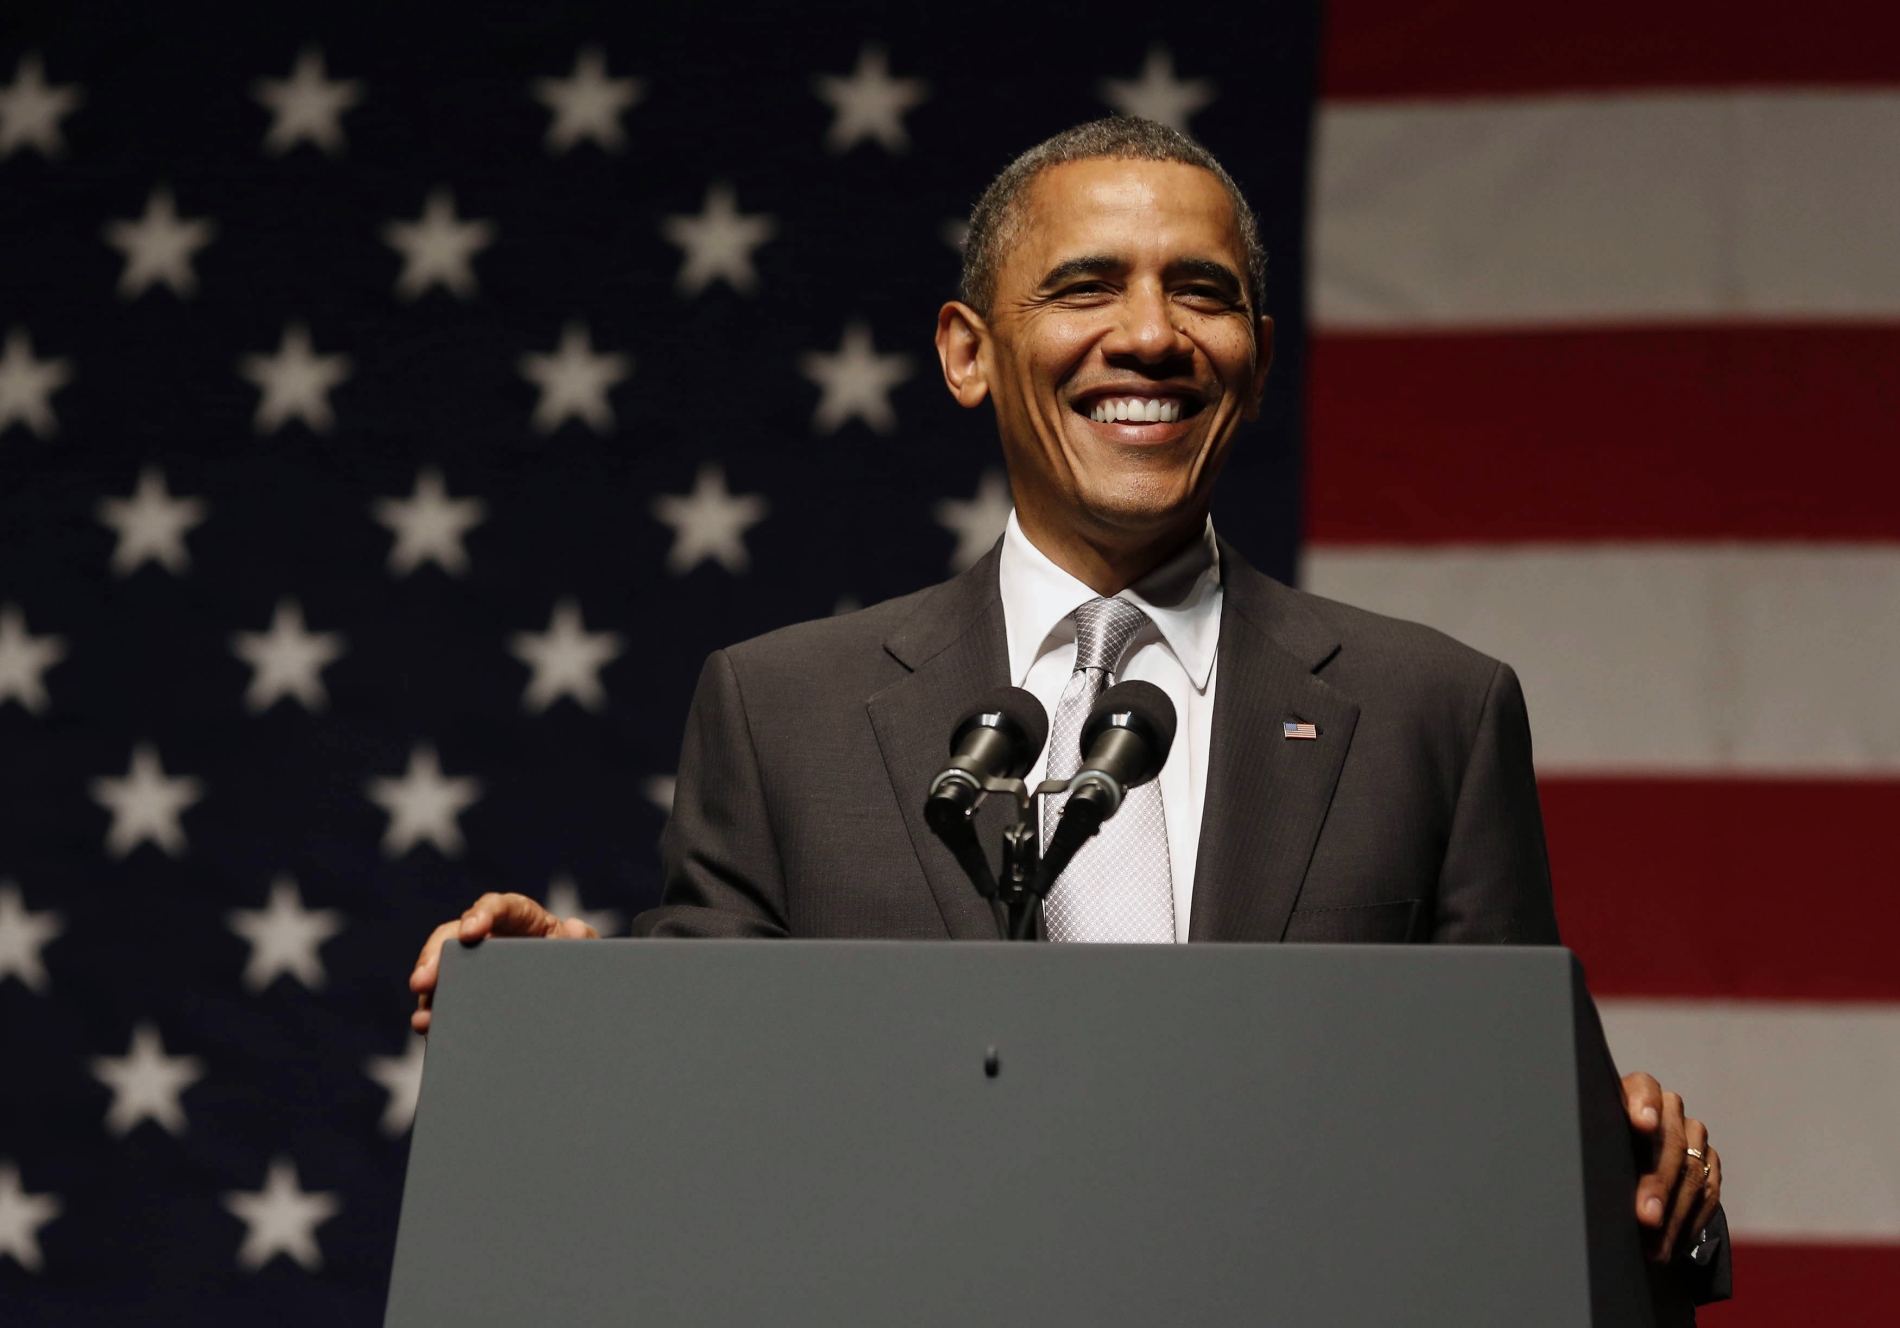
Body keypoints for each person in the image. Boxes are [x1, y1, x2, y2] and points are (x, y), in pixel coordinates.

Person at [410, 118, 1729, 1306]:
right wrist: (567, 1015)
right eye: (1087, 287)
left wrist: (1644, 1182)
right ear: (968, 354)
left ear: (1257, 364)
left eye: (1201, 295)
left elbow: (1522, 1184)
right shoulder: (783, 710)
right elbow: (707, 1127)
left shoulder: (1433, 710)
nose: (1151, 334)